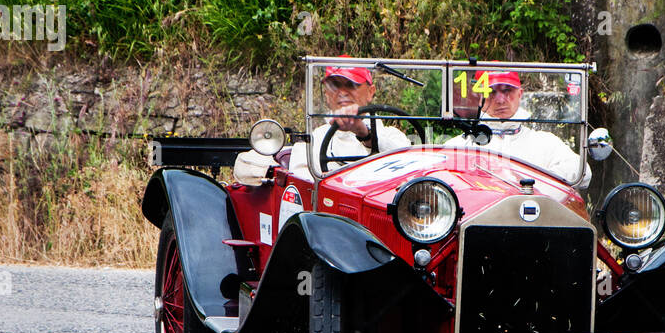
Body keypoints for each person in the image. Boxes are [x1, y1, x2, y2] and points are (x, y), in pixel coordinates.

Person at [233, 65, 411, 183]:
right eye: (334, 86)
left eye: (350, 85)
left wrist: (362, 131)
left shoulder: (393, 136)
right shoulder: (314, 139)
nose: (342, 92)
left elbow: (405, 165)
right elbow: (302, 185)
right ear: (327, 95)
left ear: (370, 92)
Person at [444, 70, 591, 188]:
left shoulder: (545, 142)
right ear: (479, 97)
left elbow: (583, 173)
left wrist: (537, 184)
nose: (500, 100)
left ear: (520, 94)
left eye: (507, 90)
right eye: (491, 92)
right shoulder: (458, 147)